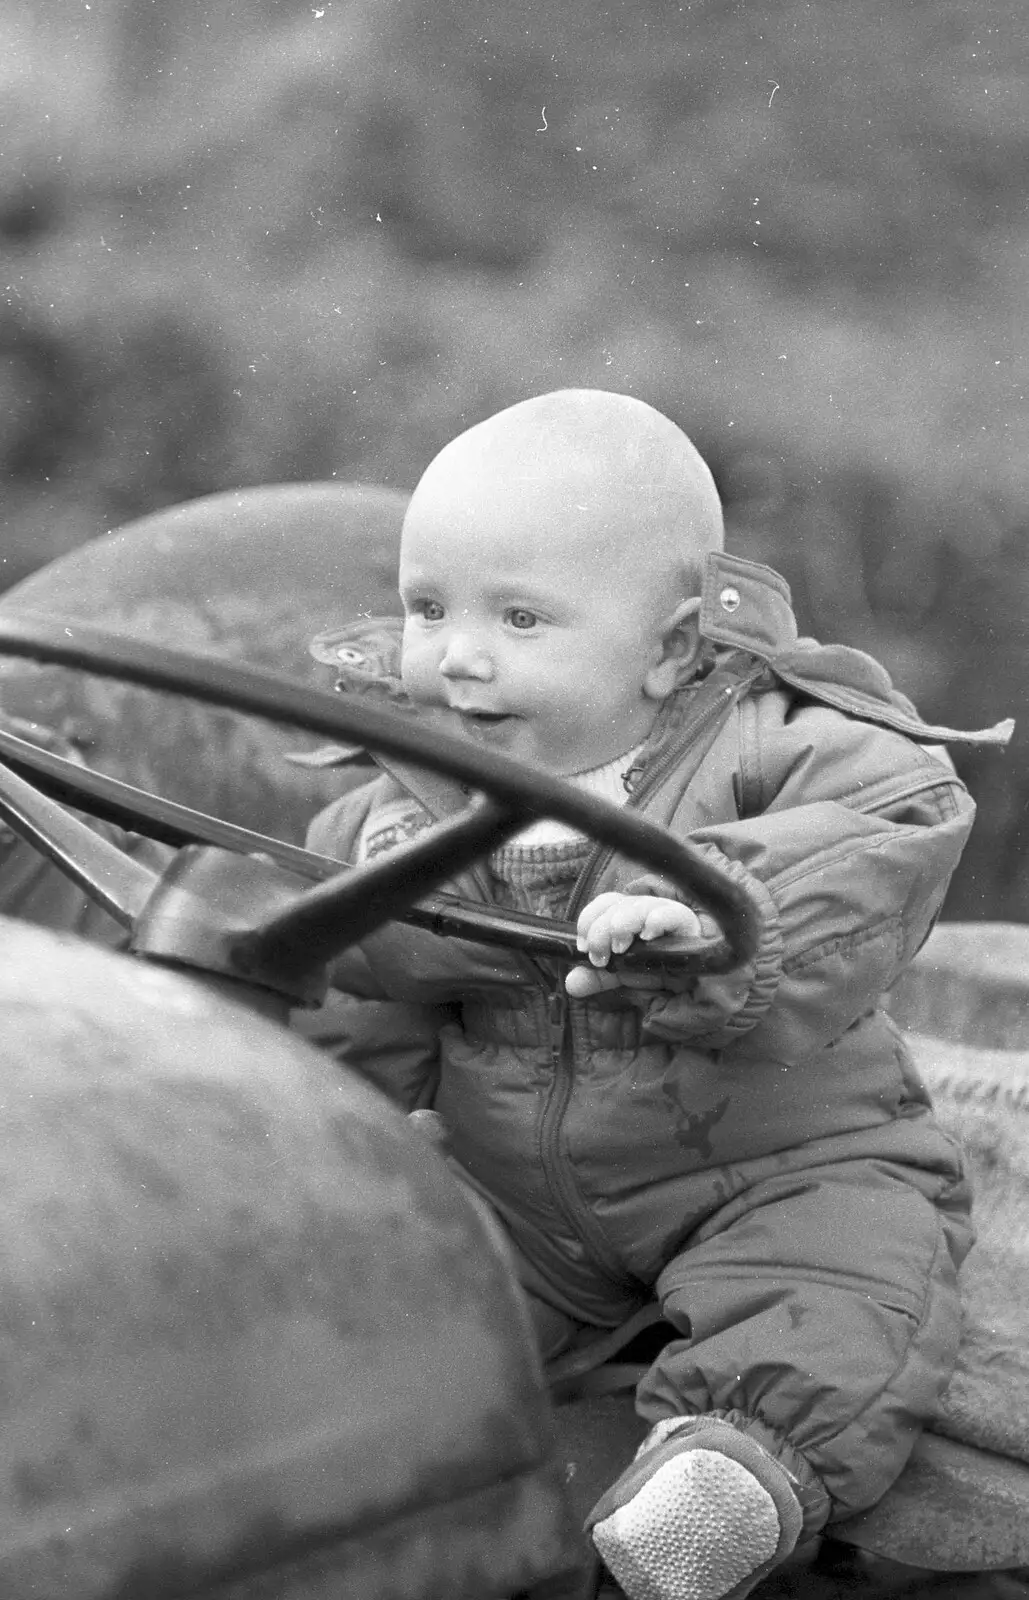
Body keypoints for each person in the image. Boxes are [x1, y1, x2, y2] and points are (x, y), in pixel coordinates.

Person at [303, 389, 1012, 1600]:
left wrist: (724, 912)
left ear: (672, 648)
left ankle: (727, 1477)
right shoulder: (397, 800)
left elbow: (888, 831)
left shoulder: (769, 740)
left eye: (519, 616)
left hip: (772, 1157)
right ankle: (327, 1471)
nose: (458, 653)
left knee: (845, 1280)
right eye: (429, 609)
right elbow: (355, 1011)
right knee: (387, 1287)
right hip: (515, 1192)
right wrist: (327, 1127)